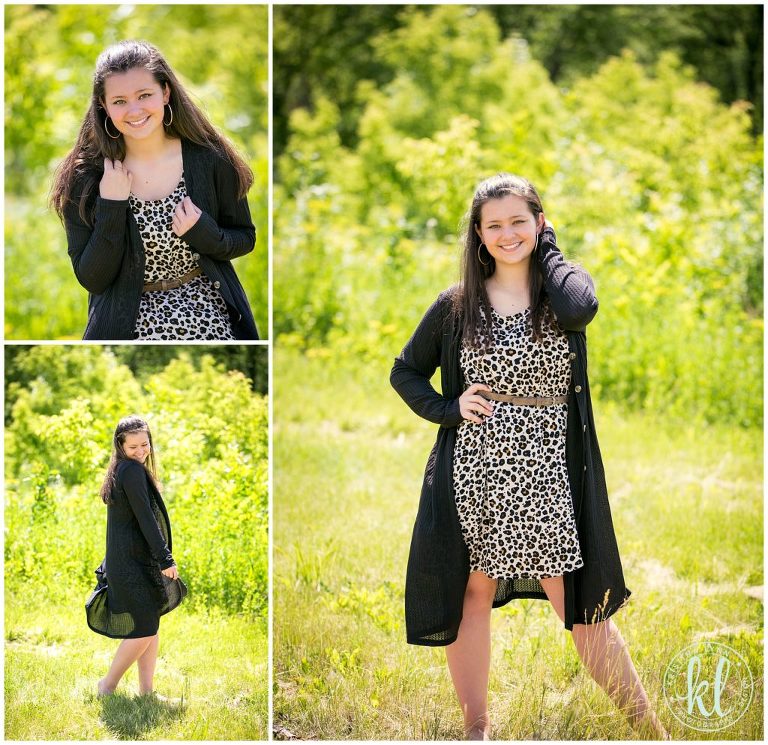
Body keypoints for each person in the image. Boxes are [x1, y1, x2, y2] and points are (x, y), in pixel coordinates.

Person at [390, 174, 670, 740]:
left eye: (519, 220)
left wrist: (551, 249)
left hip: (546, 469)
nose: (507, 233)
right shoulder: (457, 304)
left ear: (540, 223)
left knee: (576, 599)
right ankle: (477, 729)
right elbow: (405, 372)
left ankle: (648, 726)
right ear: (478, 233)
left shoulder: (558, 295)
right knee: (473, 589)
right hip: (477, 467)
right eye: (494, 225)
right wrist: (449, 407)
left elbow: (583, 306)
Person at [50, 40, 259, 340]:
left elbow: (244, 237)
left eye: (144, 95)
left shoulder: (210, 158)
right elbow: (92, 279)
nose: (134, 110)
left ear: (165, 92)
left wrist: (204, 232)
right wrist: (112, 205)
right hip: (126, 320)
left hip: (207, 307)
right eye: (119, 101)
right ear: (103, 106)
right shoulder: (85, 178)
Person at [89, 415, 184, 697]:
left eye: (145, 444)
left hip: (134, 560)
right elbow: (145, 519)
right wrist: (165, 559)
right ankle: (107, 685)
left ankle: (146, 692)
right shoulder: (130, 471)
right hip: (130, 564)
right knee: (143, 628)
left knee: (150, 624)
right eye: (133, 447)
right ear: (121, 446)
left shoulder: (124, 469)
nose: (141, 451)